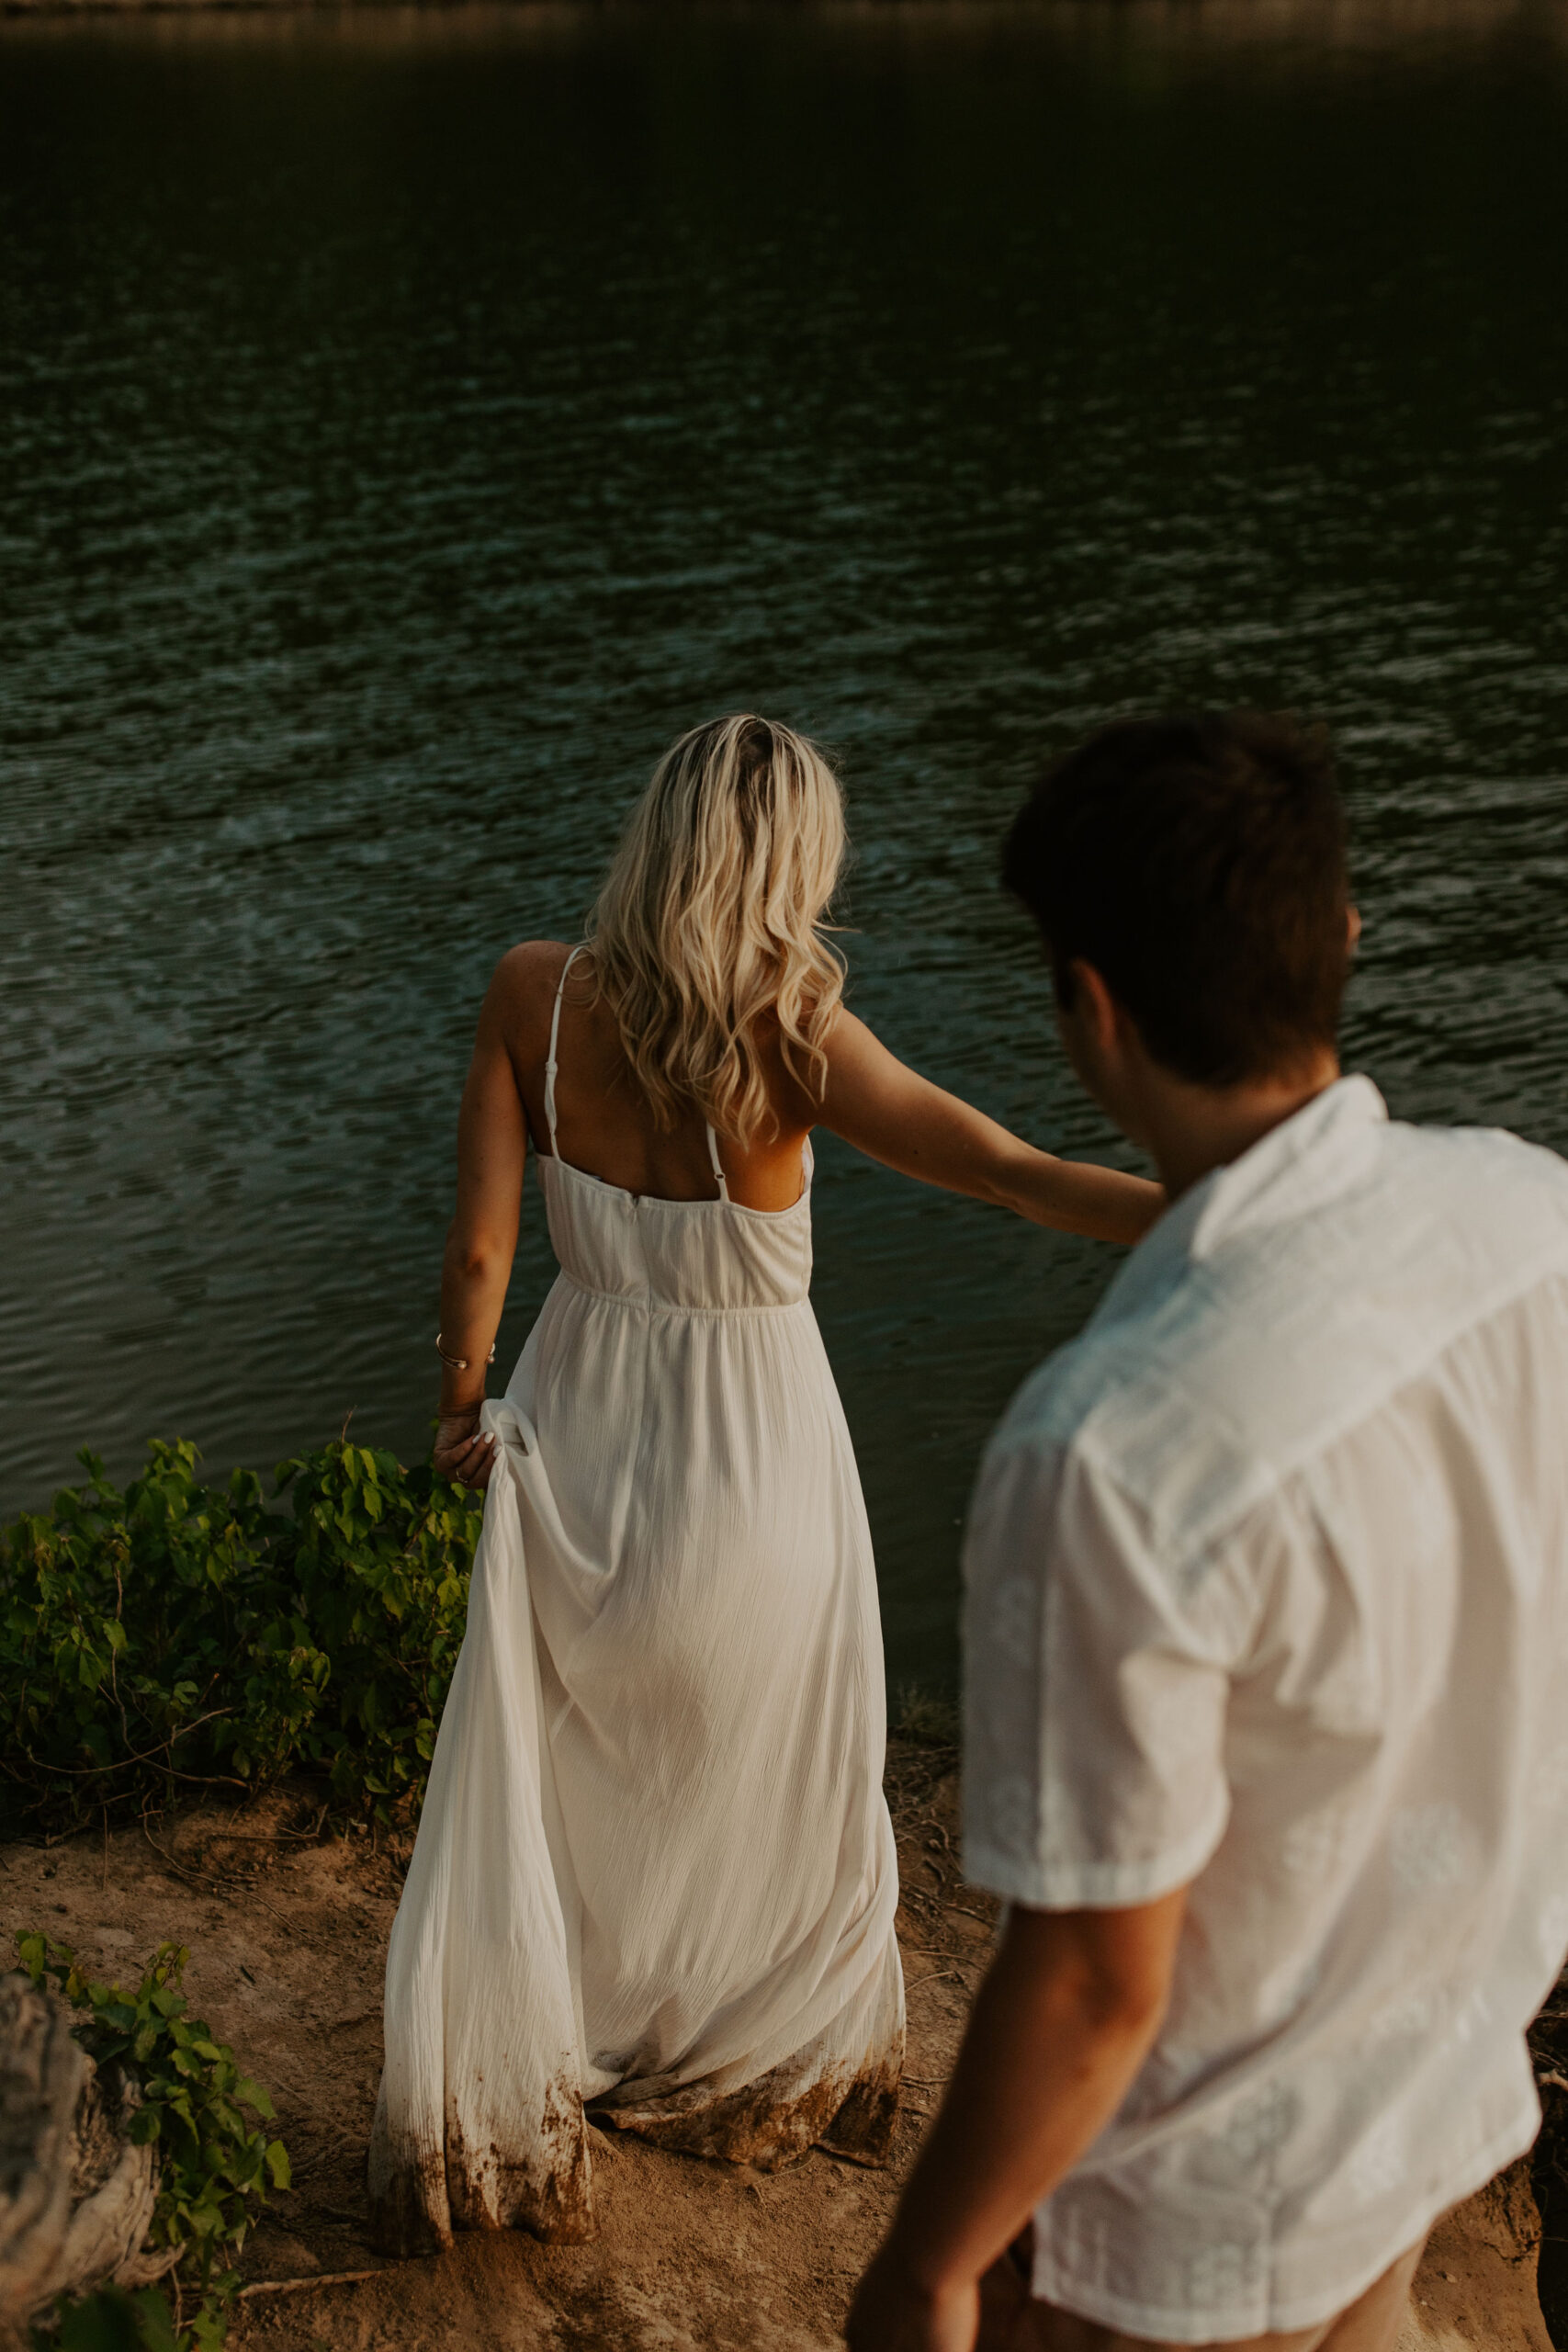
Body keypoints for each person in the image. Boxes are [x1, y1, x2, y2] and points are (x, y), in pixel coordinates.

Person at [367, 714, 1161, 2254]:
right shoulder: (793, 1035)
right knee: (769, 1768)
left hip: (579, 1431)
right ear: (793, 864)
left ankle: (581, 2020)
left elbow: (478, 1250)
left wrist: (463, 1408)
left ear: (655, 835)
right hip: (755, 1459)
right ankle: (739, 2051)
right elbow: (1002, 1167)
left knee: (576, 1760)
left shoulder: (534, 997)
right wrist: (1209, 1203)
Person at [847, 711, 1568, 2352]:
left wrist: (925, 2266)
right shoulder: (1534, 1221)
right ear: (1344, 940)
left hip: (1182, 2249)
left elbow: (1100, 1986)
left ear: (1089, 1012)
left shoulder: (1107, 1448)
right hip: (1421, 2114)